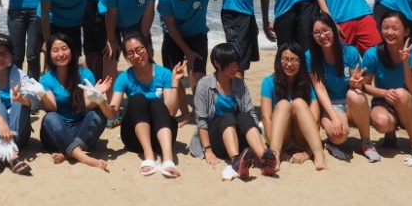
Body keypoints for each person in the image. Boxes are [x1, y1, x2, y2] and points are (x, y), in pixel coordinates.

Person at [158, 0, 269, 119]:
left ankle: (199, 112)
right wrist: (187, 51)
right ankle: (186, 113)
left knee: (198, 75)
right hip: (174, 37)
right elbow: (171, 27)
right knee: (173, 76)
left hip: (197, 34)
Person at [191, 42, 277, 180]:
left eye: (236, 64)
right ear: (217, 64)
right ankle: (236, 161)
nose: (234, 68)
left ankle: (263, 157)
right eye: (230, 65)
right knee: (228, 117)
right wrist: (208, 150)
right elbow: (201, 120)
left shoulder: (240, 84)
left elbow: (251, 114)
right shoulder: (204, 84)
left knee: (245, 115)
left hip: (237, 137)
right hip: (216, 140)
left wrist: (254, 146)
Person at [105, 32, 183, 178]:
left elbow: (172, 111)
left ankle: (168, 158)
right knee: (137, 99)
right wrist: (99, 100)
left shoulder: (164, 74)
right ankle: (149, 156)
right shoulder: (123, 78)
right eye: (130, 53)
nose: (136, 56)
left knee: (157, 103)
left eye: (139, 49)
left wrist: (175, 82)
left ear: (148, 48)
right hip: (135, 140)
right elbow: (112, 113)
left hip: (162, 139)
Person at [359, 10, 412, 165]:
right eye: (385, 27)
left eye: (395, 28)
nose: (389, 32)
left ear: (406, 32)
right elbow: (364, 86)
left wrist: (405, 62)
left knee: (401, 94)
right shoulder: (372, 54)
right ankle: (390, 135)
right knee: (381, 122)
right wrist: (384, 93)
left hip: (411, 105)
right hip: (384, 102)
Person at [37, 34, 112, 171]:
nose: (61, 54)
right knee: (50, 117)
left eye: (64, 48)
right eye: (55, 50)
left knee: (99, 113)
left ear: (71, 50)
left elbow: (89, 105)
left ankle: (68, 154)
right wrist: (42, 95)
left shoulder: (85, 74)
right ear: (49, 55)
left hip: (80, 130)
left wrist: (96, 96)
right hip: (56, 133)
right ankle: (85, 158)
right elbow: (51, 108)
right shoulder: (46, 79)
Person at [307, 12, 373, 162]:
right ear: (312, 36)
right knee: (339, 136)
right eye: (316, 33)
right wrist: (334, 117)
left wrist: (355, 83)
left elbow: (356, 84)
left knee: (355, 94)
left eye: (326, 30)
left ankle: (366, 141)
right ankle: (331, 142)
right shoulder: (310, 56)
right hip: (331, 104)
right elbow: (320, 89)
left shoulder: (350, 52)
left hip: (351, 101)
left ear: (334, 30)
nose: (322, 36)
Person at [0, 34, 41, 176]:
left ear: (11, 57)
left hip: (18, 135)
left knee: (19, 103)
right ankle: (13, 155)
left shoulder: (20, 75)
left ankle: (5, 152)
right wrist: (0, 121)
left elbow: (35, 103)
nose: (0, 58)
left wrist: (24, 100)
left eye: (5, 54)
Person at [261, 42, 326, 170]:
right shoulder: (268, 82)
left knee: (299, 103)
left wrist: (308, 152)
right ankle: (274, 156)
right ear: (279, 60)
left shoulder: (307, 85)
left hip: (300, 138)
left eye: (294, 60)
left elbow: (315, 120)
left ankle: (319, 155)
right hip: (280, 138)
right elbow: (266, 118)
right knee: (284, 104)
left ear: (301, 63)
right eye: (285, 59)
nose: (289, 64)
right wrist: (276, 148)